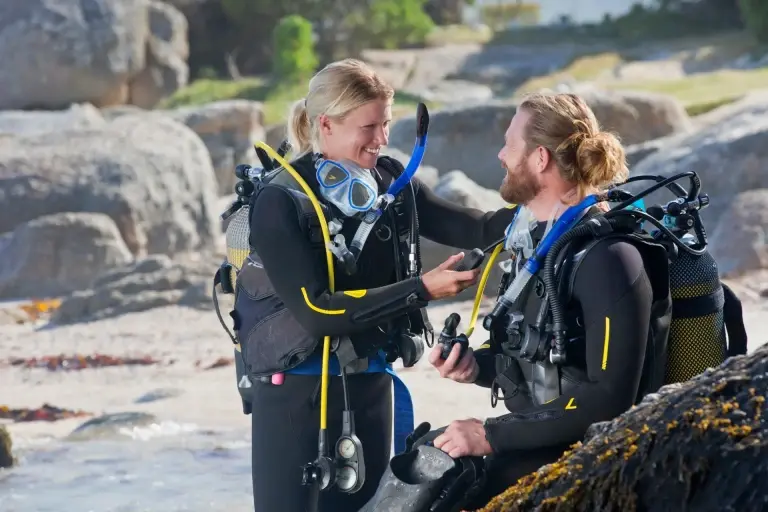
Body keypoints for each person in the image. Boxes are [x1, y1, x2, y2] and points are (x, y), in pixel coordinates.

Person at [234, 58, 518, 512]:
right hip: (294, 395)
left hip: (368, 386)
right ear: (325, 124)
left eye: (386, 124)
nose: (382, 140)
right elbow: (318, 312)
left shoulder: (391, 182)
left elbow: (482, 229)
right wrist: (421, 289)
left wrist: (564, 200)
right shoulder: (280, 201)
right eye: (369, 127)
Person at [422, 92, 675, 507]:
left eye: (510, 143)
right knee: (427, 460)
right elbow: (544, 364)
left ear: (540, 159)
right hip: (537, 442)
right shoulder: (540, 244)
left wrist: (491, 434)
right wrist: (477, 367)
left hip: (591, 456)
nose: (502, 155)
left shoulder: (609, 259)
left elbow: (608, 398)